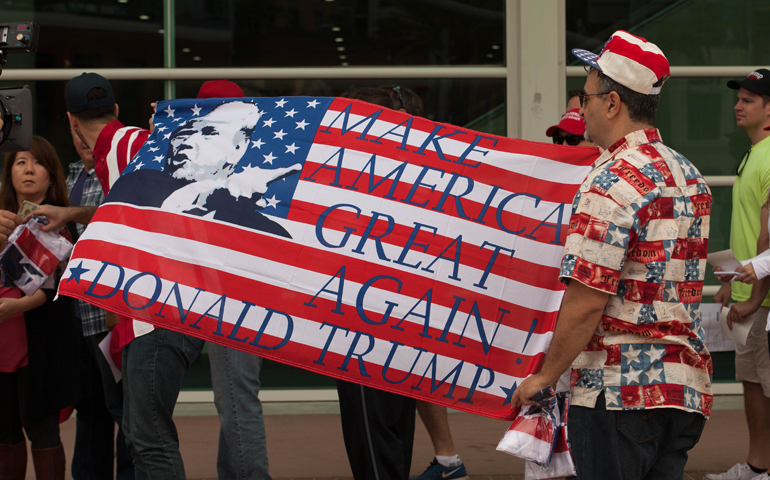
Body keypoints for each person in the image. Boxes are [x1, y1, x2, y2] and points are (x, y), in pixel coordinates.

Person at [512, 30, 712, 480]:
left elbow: (587, 299)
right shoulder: (687, 173)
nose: (580, 107)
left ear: (613, 103)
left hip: (616, 392)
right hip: (682, 387)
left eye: (586, 97)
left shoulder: (611, 180)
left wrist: (544, 378)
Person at [64, 71, 205, 480]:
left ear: (71, 121)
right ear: (116, 109)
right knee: (140, 439)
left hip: (155, 316)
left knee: (149, 438)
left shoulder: (123, 143)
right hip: (151, 313)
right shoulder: (125, 147)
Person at [334, 84, 422, 480]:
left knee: (377, 440)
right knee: (387, 438)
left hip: (371, 324)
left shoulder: (375, 178)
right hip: (382, 319)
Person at [195, 79, 272, 480]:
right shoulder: (250, 153)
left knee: (237, 401)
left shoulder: (223, 167)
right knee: (236, 398)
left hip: (231, 293)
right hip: (242, 289)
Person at [0, 136, 80, 480]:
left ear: (51, 175)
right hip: (2, 337)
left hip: (41, 339)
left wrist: (16, 307)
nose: (29, 169)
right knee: (3, 432)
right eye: (20, 162)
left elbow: (64, 286)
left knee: (43, 429)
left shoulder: (64, 223)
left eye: (38, 162)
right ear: (9, 174)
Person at [105, 99, 301, 235]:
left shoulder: (266, 232)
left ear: (239, 147)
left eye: (208, 131)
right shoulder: (136, 185)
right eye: (181, 130)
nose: (187, 140)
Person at [709, 69, 770, 480]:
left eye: (749, 99)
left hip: (765, 301)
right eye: (739, 97)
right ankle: (758, 467)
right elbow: (750, 228)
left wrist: (753, 297)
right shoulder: (753, 152)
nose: (738, 104)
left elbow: (768, 231)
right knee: (752, 384)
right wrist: (731, 283)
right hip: (754, 296)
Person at [67, 126, 134, 480]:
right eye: (80, 131)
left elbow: (115, 219)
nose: (86, 141)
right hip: (77, 318)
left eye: (92, 131)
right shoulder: (71, 174)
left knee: (125, 414)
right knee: (89, 413)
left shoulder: (127, 170)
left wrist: (67, 213)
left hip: (113, 318)